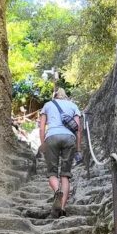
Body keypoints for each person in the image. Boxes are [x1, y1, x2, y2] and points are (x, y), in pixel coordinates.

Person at [38, 88, 82, 218]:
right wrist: (79, 149)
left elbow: (42, 128)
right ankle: (62, 208)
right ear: (65, 96)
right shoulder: (73, 106)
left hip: (51, 137)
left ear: (55, 96)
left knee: (52, 173)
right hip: (69, 138)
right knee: (65, 175)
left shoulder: (48, 105)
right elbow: (78, 130)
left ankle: (57, 191)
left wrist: (43, 144)